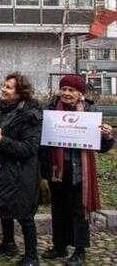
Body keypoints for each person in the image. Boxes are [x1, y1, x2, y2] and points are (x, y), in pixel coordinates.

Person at [40, 75, 114, 266]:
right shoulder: (50, 108)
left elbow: (101, 147)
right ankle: (59, 246)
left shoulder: (90, 110)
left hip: (80, 170)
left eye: (71, 90)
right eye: (63, 89)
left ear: (80, 93)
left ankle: (80, 250)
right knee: (58, 209)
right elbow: (43, 139)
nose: (66, 93)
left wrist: (107, 137)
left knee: (78, 211)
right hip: (57, 169)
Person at [0, 73, 42, 266]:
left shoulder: (30, 115)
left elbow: (29, 148)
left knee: (24, 214)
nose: (3, 89)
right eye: (4, 85)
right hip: (2, 167)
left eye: (9, 87)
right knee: (4, 206)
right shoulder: (1, 108)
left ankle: (32, 256)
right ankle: (8, 243)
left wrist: (2, 139)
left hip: (22, 171)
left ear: (20, 93)